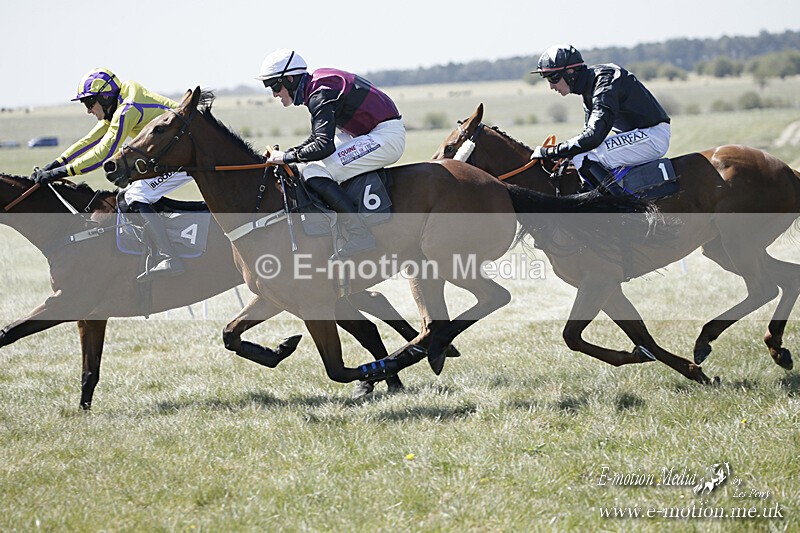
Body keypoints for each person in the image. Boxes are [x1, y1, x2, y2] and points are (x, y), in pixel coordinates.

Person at [31, 68, 194, 280]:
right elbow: (88, 141)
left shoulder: (128, 109)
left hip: (188, 157)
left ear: (106, 97)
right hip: (175, 154)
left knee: (136, 195)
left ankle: (169, 256)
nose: (88, 110)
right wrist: (54, 165)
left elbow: (104, 153)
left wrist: (61, 173)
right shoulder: (119, 104)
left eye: (89, 103)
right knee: (130, 194)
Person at [257, 49, 406, 257]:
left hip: (385, 137)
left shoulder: (320, 93)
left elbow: (323, 146)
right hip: (369, 132)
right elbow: (316, 139)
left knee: (314, 172)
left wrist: (286, 157)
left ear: (290, 79)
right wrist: (289, 154)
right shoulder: (316, 85)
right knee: (304, 165)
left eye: (275, 86)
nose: (274, 94)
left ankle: (360, 234)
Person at [530, 44, 671, 194]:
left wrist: (552, 151)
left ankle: (621, 204)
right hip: (641, 135)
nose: (551, 86)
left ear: (570, 72)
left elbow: (593, 137)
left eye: (553, 78)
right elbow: (586, 139)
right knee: (579, 156)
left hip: (652, 136)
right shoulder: (588, 89)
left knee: (584, 157)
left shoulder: (604, 82)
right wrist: (564, 154)